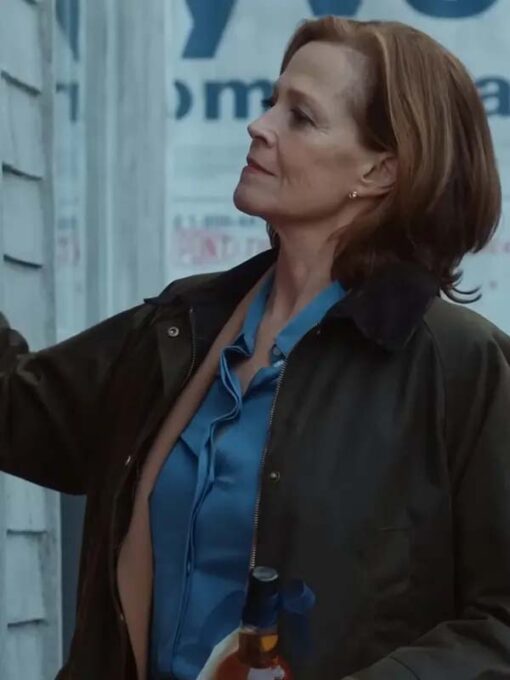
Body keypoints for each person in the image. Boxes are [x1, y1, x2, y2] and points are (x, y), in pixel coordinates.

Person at [1, 14, 510, 680]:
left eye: (300, 116)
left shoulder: (461, 366)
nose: (259, 125)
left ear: (380, 170)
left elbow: (500, 623)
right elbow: (16, 409)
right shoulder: (182, 326)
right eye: (272, 101)